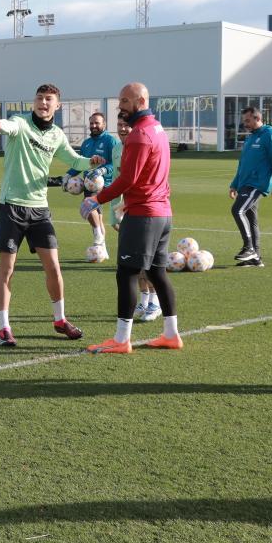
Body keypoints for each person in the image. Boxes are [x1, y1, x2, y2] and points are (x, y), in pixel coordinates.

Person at [0, 83, 104, 347]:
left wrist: (91, 162)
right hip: (12, 207)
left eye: (49, 99)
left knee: (53, 267)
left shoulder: (57, 135)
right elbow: (10, 126)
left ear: (57, 105)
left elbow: (74, 161)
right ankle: (4, 327)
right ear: (34, 102)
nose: (43, 102)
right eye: (39, 98)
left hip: (39, 209)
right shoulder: (21, 122)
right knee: (7, 270)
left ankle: (60, 320)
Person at [83, 82, 182, 354]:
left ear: (139, 101)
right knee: (156, 272)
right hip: (162, 212)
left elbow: (129, 178)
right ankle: (171, 334)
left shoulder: (139, 134)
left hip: (144, 216)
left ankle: (121, 339)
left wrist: (96, 199)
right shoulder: (158, 129)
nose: (120, 106)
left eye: (124, 101)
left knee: (126, 273)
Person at [112, 112, 161, 322]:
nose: (123, 128)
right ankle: (144, 299)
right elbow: (118, 178)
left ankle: (156, 303)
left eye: (126, 125)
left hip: (142, 208)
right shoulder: (116, 148)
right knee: (134, 262)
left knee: (145, 263)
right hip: (123, 208)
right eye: (119, 125)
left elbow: (140, 180)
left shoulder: (140, 143)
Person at [229, 106, 272, 267]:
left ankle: (249, 248)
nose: (245, 124)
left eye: (248, 120)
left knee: (237, 210)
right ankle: (255, 258)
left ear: (257, 118)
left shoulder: (269, 135)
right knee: (251, 219)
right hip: (245, 183)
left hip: (257, 184)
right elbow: (243, 165)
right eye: (244, 121)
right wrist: (234, 184)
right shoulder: (250, 138)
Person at [67, 112, 119, 257]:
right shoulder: (86, 143)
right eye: (92, 123)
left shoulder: (110, 141)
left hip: (107, 183)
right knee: (96, 216)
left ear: (104, 124)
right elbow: (80, 163)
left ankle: (101, 238)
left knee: (113, 221)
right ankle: (102, 248)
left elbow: (115, 164)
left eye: (97, 123)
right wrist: (68, 175)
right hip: (90, 184)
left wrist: (103, 170)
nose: (94, 126)